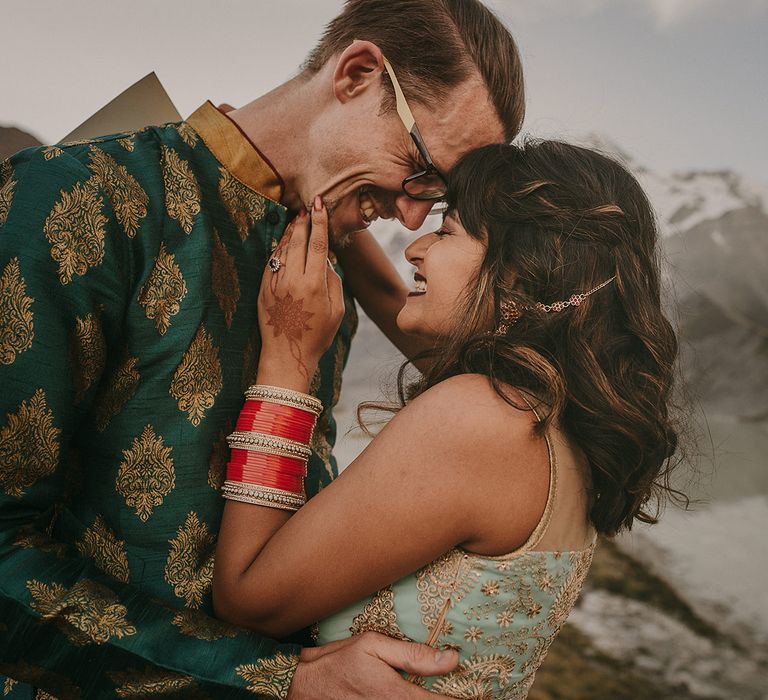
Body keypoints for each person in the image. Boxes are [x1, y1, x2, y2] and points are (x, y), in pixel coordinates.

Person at [0, 1, 525, 697]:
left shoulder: (323, 259)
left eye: (438, 199)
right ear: (357, 74)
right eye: (421, 170)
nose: (410, 217)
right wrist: (274, 679)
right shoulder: (71, 196)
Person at [211, 140, 682, 698]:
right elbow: (401, 299)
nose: (416, 248)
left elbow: (246, 600)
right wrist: (330, 204)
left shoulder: (483, 418)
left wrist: (288, 356)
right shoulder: (550, 419)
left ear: (522, 274)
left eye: (449, 230)